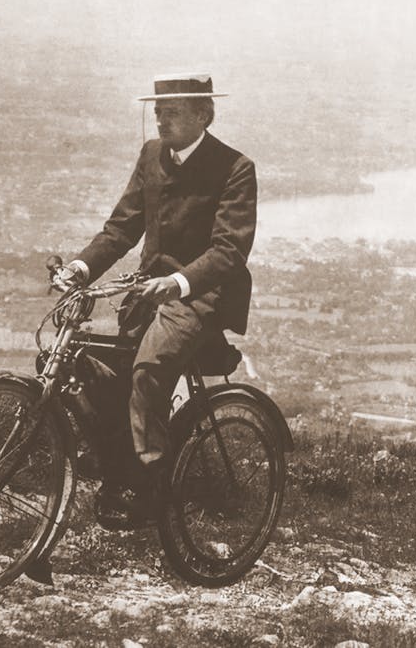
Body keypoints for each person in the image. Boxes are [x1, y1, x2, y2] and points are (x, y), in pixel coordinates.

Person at [54, 72, 257, 528]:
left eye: (173, 112)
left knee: (148, 370)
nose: (161, 121)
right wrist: (80, 268)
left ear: (204, 115)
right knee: (95, 367)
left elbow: (229, 250)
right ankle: (116, 469)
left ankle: (151, 487)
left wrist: (179, 283)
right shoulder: (152, 155)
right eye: (159, 112)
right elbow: (121, 227)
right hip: (147, 291)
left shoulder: (235, 167)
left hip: (199, 295)